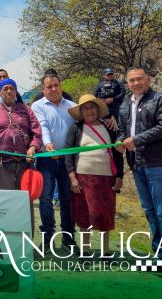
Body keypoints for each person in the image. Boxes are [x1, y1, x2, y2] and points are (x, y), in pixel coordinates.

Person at [116, 67, 162, 283]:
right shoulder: (125, 103)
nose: (135, 83)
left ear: (148, 79)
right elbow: (123, 130)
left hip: (159, 163)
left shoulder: (161, 100)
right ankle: (160, 257)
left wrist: (137, 140)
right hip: (137, 164)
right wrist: (120, 141)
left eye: (139, 79)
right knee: (150, 211)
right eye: (131, 80)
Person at [65, 94, 123, 256]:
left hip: (106, 180)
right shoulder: (76, 129)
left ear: (98, 110)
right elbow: (68, 155)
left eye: (92, 107)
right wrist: (72, 178)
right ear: (81, 112)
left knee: (105, 215)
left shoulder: (109, 128)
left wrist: (120, 176)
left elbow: (117, 154)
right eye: (85, 108)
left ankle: (105, 252)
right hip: (83, 179)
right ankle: (85, 250)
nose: (89, 111)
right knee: (84, 215)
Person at [31, 74, 76, 249]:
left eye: (56, 85)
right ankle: (48, 237)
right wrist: (47, 143)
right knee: (45, 199)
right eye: (49, 86)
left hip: (68, 161)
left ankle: (68, 237)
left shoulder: (72, 107)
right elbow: (42, 126)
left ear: (61, 85)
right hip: (46, 160)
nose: (53, 89)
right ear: (43, 89)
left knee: (67, 200)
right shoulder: (37, 105)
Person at [0, 78, 42, 190]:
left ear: (16, 92)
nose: (9, 91)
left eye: (12, 89)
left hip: (24, 163)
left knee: (24, 201)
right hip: (0, 163)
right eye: (5, 89)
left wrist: (33, 148)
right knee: (2, 203)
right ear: (0, 92)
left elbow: (37, 132)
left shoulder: (26, 110)